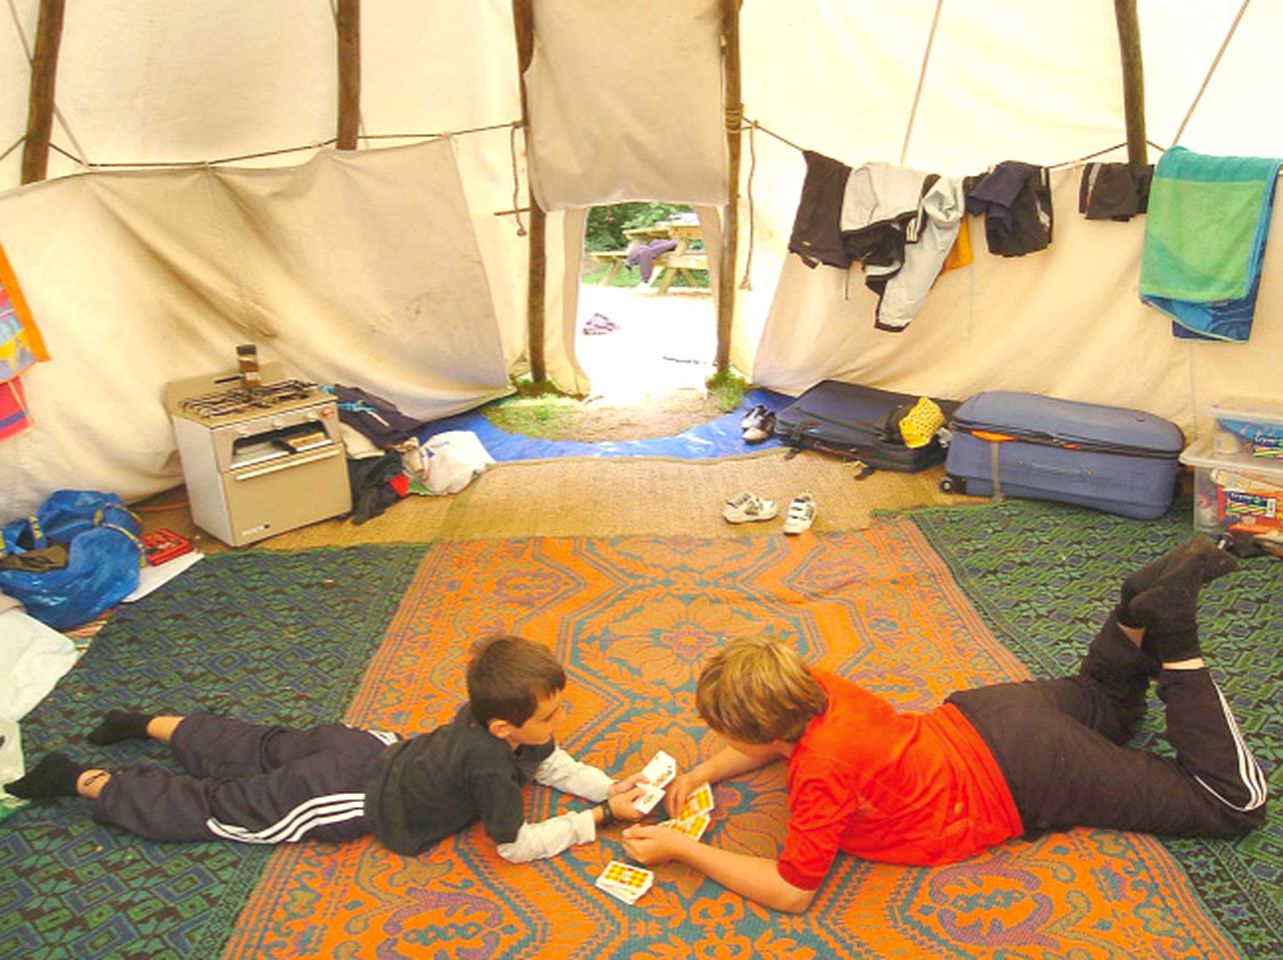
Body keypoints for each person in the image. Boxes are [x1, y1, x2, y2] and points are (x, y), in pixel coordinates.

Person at [621, 537, 1269, 912]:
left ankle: (1174, 627)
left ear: (763, 728)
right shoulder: (811, 684)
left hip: (1019, 772)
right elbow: (768, 740)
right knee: (1108, 700)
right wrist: (706, 768)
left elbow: (793, 890)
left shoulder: (820, 771)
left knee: (1230, 804)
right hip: (987, 713)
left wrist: (684, 849)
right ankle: (1134, 607)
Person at [6, 634, 649, 862]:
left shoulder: (492, 715)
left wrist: (607, 788)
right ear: (506, 727)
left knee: (260, 744)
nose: (559, 721)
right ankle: (83, 779)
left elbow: (555, 763)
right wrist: (596, 821)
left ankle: (144, 721)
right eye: (552, 714)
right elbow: (515, 846)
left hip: (364, 744)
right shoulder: (492, 768)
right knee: (228, 808)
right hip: (345, 795)